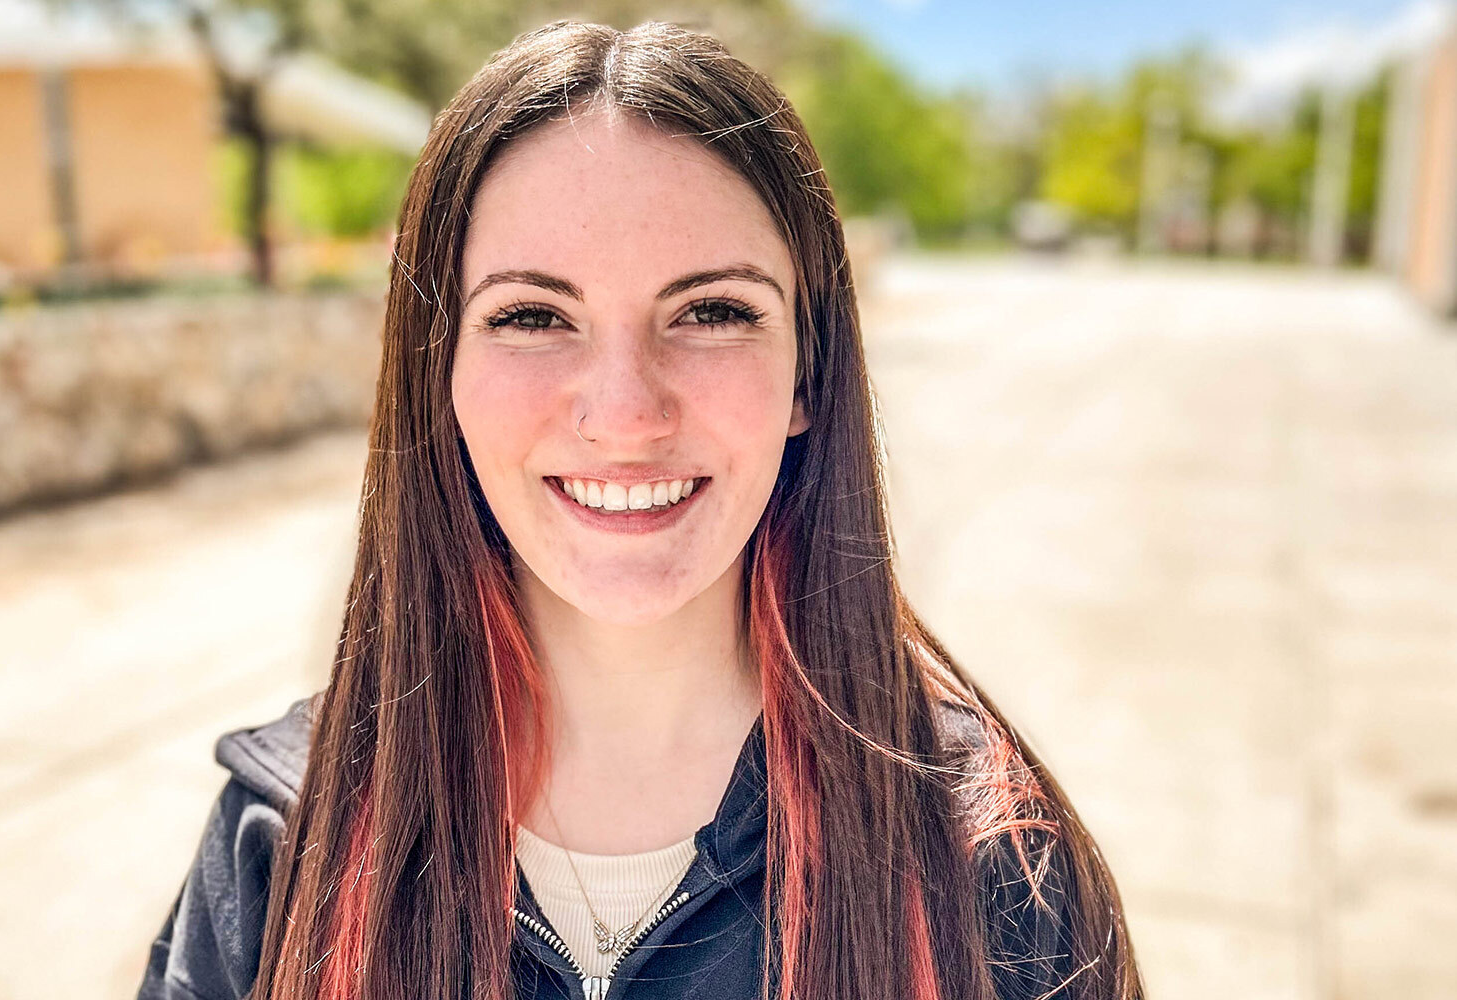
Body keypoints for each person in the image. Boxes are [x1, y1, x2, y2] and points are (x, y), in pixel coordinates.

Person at [136, 19, 1144, 1000]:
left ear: (808, 373)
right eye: (531, 315)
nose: (623, 415)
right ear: (434, 372)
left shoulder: (994, 864)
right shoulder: (279, 847)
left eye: (711, 311)